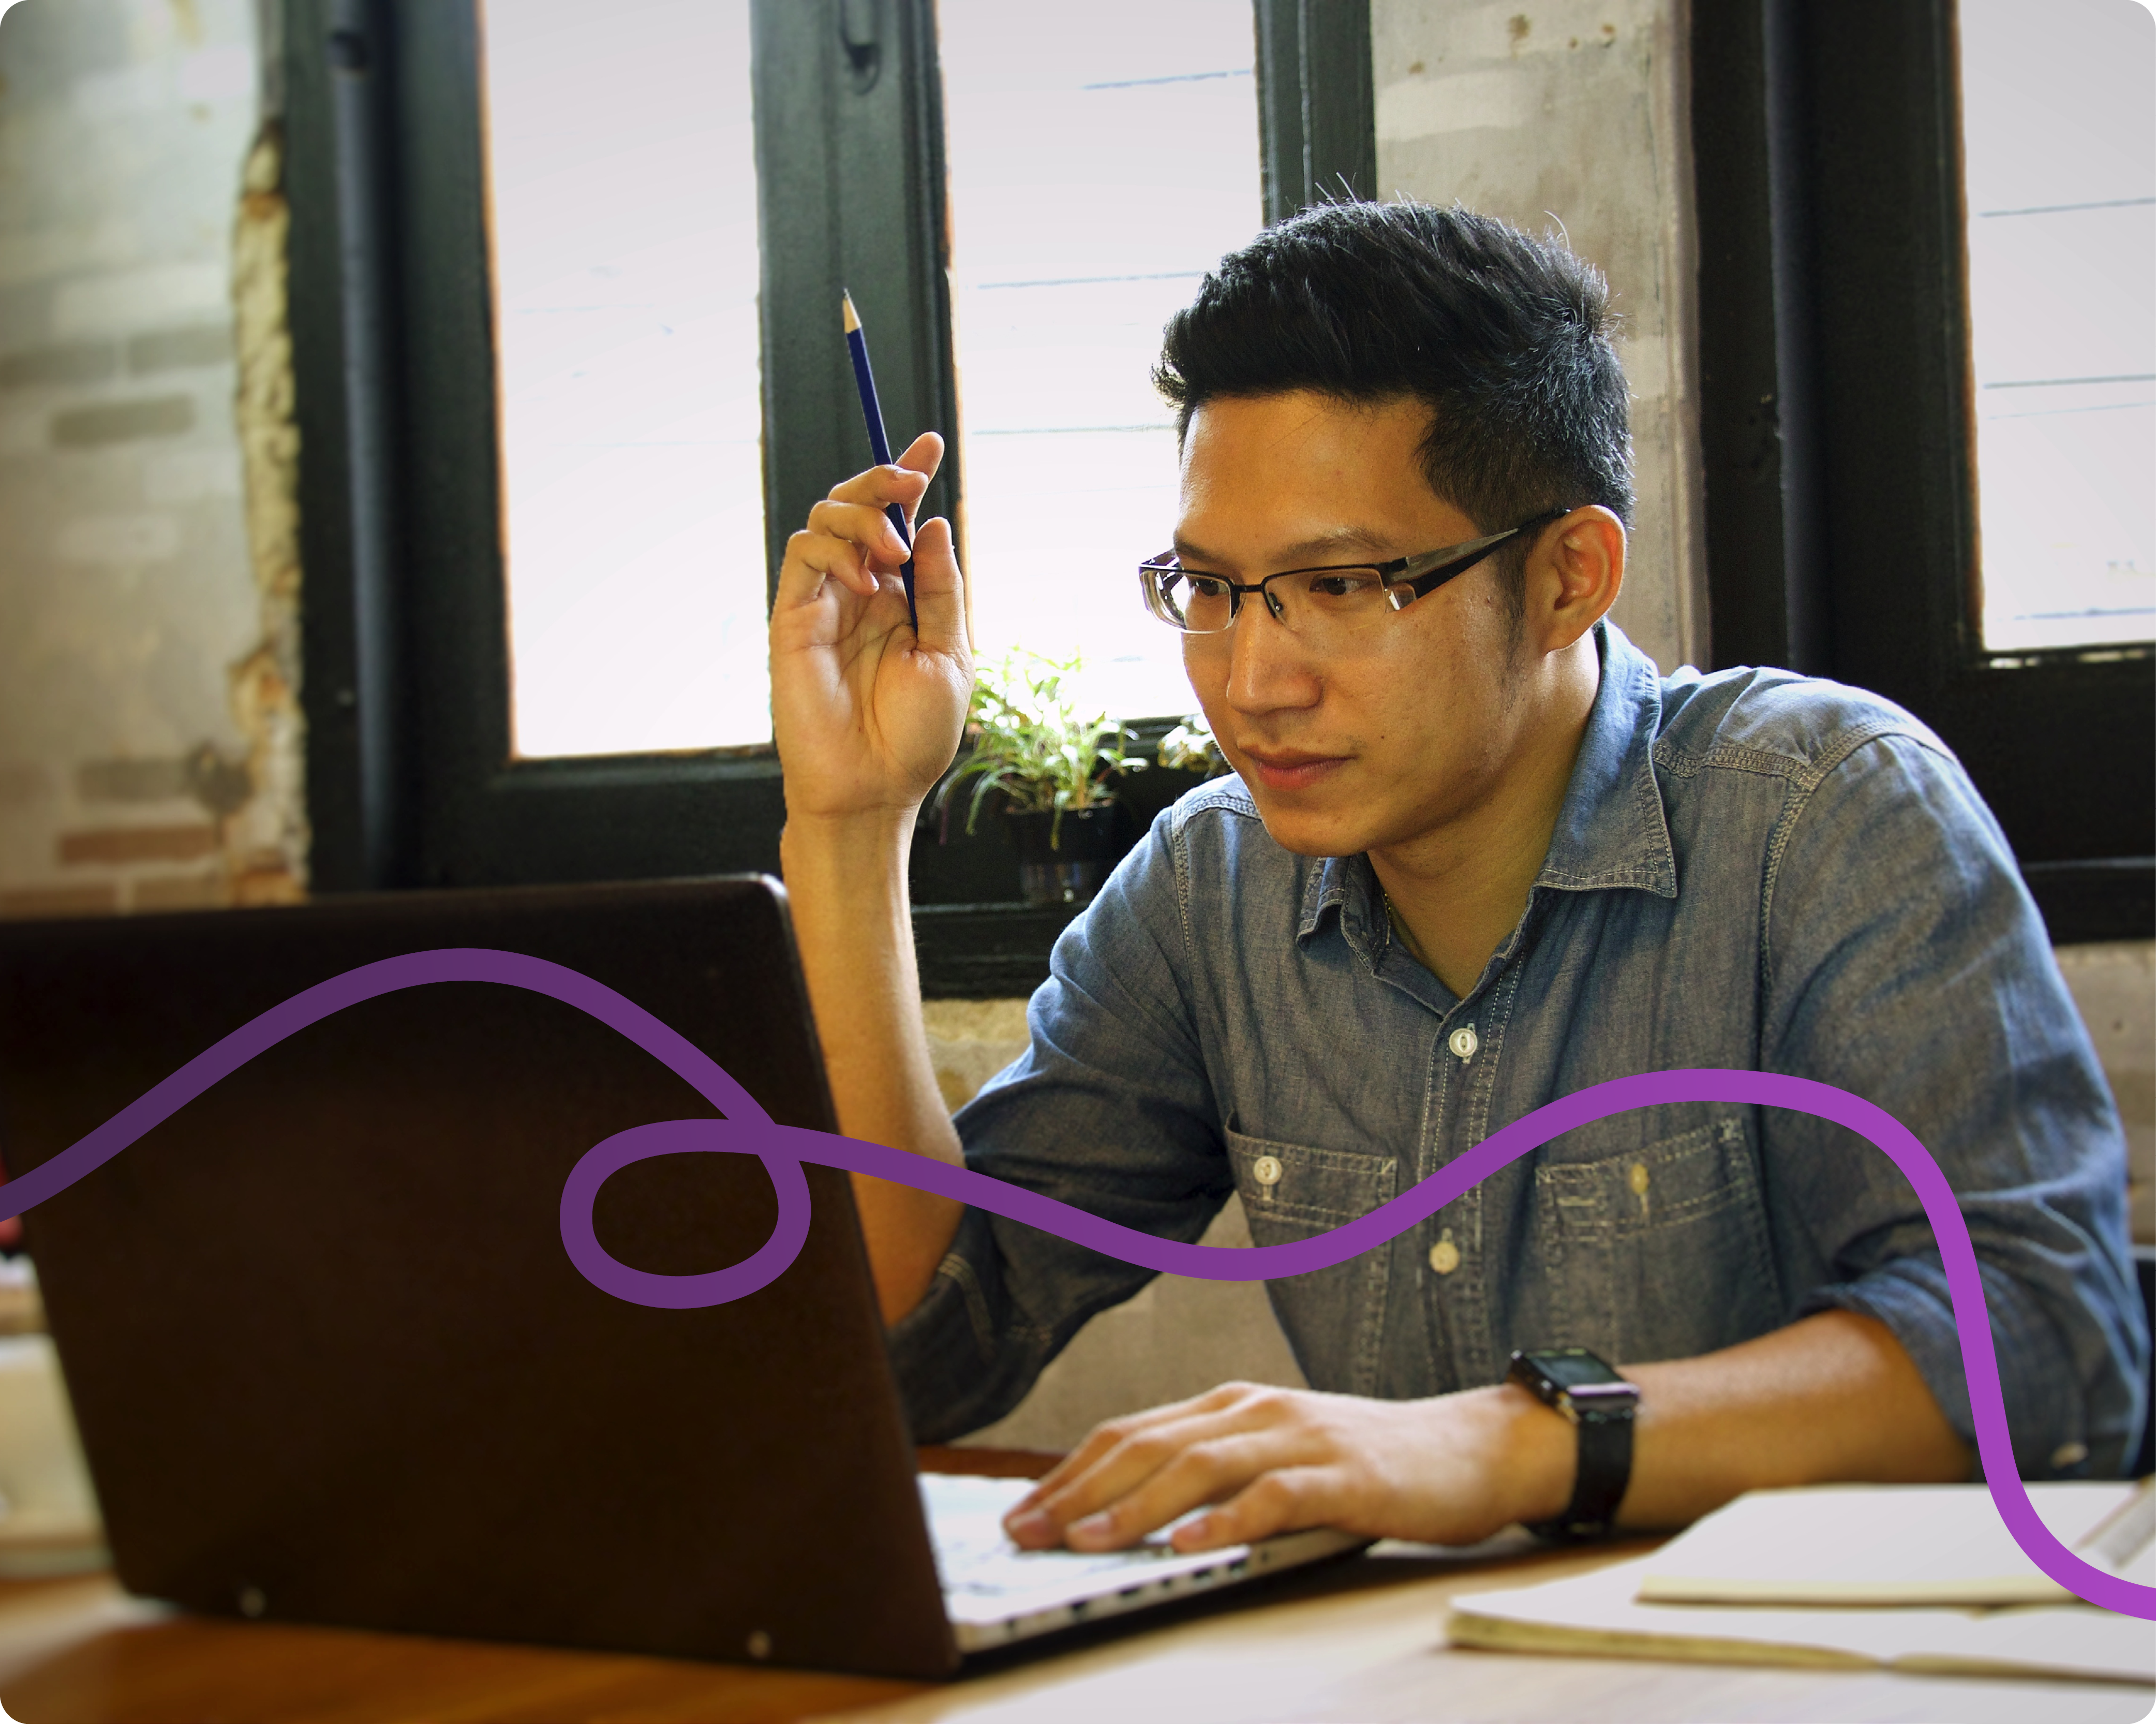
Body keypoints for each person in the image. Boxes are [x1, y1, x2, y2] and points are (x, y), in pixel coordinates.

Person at [768, 200, 2145, 1557]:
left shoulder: (1815, 809)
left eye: (1343, 586)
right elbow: (919, 1349)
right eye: (1207, 587)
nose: (1251, 683)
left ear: (1565, 578)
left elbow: (2044, 1348)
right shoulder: (1209, 891)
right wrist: (848, 825)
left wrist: (1495, 1439)